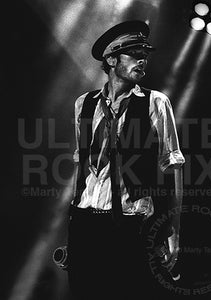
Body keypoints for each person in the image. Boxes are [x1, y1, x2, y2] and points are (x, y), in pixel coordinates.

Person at [67, 20, 185, 300]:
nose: (143, 60)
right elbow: (81, 165)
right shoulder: (84, 103)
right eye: (135, 53)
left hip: (131, 225)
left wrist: (173, 231)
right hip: (85, 222)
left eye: (145, 54)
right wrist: (72, 226)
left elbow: (174, 168)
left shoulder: (156, 102)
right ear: (111, 59)